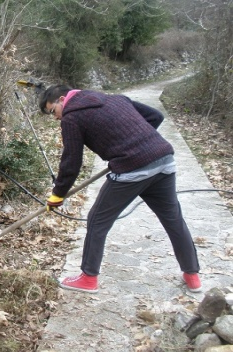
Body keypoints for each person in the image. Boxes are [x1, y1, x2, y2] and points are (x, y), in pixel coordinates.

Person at [39, 84, 201, 294]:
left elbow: (71, 162)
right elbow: (155, 117)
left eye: (53, 111)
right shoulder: (114, 99)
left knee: (97, 220)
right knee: (173, 219)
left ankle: (88, 279)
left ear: (63, 99)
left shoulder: (71, 117)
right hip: (163, 161)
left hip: (131, 171)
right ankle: (192, 275)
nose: (56, 118)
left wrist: (57, 194)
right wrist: (137, 144)